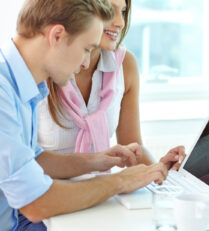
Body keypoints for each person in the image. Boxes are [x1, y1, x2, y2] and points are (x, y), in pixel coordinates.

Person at [0, 1, 178, 230]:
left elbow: (35, 160)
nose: (86, 62)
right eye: (86, 49)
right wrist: (121, 180)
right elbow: (35, 203)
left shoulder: (21, 85)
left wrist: (99, 160)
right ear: (57, 36)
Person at [37, 0, 183, 166]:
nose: (120, 23)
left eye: (123, 12)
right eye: (109, 10)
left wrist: (160, 169)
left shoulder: (125, 64)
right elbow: (22, 166)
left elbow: (132, 148)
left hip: (103, 188)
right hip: (51, 189)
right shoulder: (41, 67)